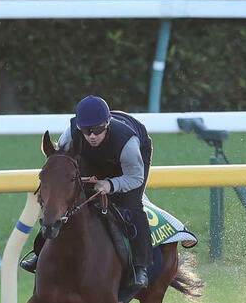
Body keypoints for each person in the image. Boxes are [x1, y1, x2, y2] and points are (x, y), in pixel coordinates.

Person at [20, 95, 153, 288]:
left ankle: (140, 268)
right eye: (86, 130)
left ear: (107, 124)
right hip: (93, 158)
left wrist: (110, 184)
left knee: (132, 205)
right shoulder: (70, 135)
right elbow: (61, 164)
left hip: (131, 162)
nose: (91, 135)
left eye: (97, 130)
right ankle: (40, 253)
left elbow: (135, 177)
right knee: (66, 201)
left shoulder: (128, 143)